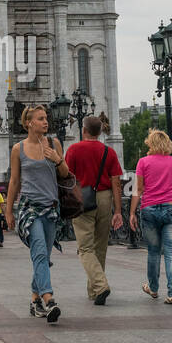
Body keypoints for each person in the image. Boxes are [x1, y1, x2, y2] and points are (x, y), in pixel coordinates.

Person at [5, 105, 72, 324]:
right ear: (29, 123)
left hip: (51, 208)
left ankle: (34, 301)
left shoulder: (54, 144)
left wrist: (57, 159)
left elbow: (66, 174)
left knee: (44, 257)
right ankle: (49, 299)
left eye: (46, 118)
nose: (46, 122)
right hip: (29, 208)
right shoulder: (18, 149)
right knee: (40, 252)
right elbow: (14, 181)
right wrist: (8, 210)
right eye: (41, 119)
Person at [65, 115, 125, 305]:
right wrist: (117, 210)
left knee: (85, 248)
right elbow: (116, 182)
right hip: (105, 198)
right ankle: (94, 292)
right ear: (100, 132)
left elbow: (68, 178)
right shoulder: (109, 152)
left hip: (83, 198)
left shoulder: (73, 149)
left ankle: (100, 286)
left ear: (84, 130)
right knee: (100, 246)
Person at [131, 129, 172, 304]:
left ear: (150, 143)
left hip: (150, 209)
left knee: (153, 252)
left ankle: (153, 288)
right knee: (171, 253)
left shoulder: (143, 162)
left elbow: (139, 190)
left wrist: (132, 212)